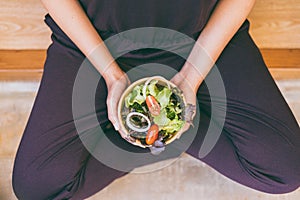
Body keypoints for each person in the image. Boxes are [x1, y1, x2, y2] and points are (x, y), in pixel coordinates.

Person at [12, 0, 300, 199]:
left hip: (201, 38)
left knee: (286, 169)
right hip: (94, 41)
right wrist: (112, 76)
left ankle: (168, 132)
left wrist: (190, 79)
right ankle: (152, 135)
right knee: (36, 188)